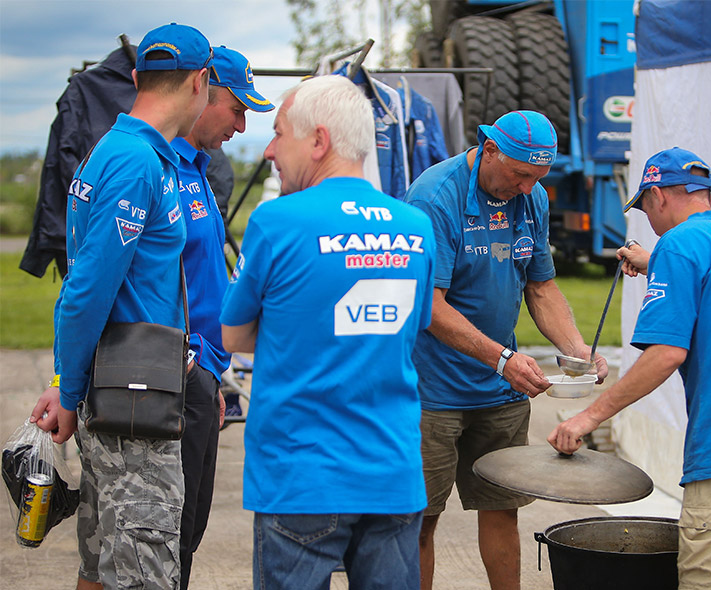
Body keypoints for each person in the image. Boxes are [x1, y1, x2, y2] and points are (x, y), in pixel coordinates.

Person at [550, 147, 711, 589]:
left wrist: (588, 417)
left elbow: (666, 353)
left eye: (645, 207)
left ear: (658, 195)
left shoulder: (678, 243)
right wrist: (655, 261)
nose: (649, 219)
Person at [219, 75, 436, 590]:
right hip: (391, 469)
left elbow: (233, 337)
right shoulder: (416, 225)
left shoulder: (276, 221)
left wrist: (295, 329)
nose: (269, 150)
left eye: (278, 134)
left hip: (301, 474)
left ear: (318, 141)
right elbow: (412, 326)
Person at [29, 23, 212, 590]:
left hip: (126, 391)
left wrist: (68, 382)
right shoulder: (136, 161)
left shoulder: (125, 149)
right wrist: (67, 389)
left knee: (104, 561)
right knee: (141, 570)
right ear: (201, 81)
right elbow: (86, 290)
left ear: (136, 77)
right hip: (134, 403)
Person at [404, 110, 609, 590]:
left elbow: (541, 286)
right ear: (490, 149)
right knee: (418, 521)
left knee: (502, 509)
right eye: (520, 175)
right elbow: (428, 305)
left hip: (499, 393)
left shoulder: (530, 197)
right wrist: (501, 359)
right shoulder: (435, 197)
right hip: (431, 392)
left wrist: (576, 349)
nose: (527, 188)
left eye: (537, 178)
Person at [170, 45, 273, 589]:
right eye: (236, 109)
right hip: (170, 377)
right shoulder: (157, 166)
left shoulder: (200, 168)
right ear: (201, 91)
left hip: (202, 376)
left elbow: (204, 282)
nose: (241, 126)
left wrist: (212, 373)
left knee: (188, 530)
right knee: (160, 536)